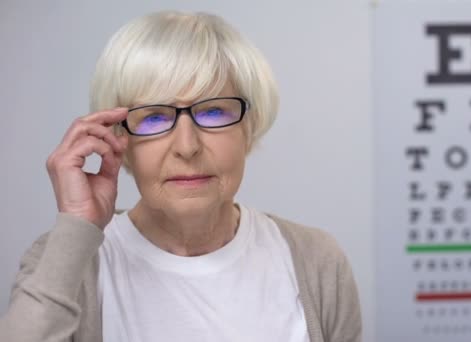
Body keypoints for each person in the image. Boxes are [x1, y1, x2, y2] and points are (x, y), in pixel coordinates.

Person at [0, 11, 361, 342]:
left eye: (214, 111)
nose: (187, 146)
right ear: (118, 138)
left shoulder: (316, 261)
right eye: (155, 116)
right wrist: (77, 226)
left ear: (248, 130)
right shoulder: (66, 258)